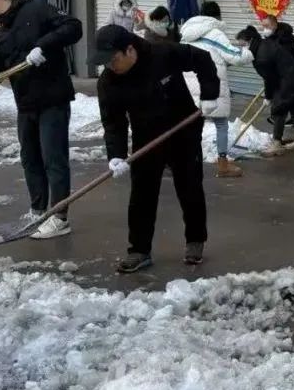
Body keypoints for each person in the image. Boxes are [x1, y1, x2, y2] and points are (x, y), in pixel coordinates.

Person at [0, 0, 82, 239]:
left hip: (52, 101)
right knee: (30, 159)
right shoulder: (0, 35)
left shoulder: (37, 11)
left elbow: (73, 27)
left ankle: (59, 218)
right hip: (26, 105)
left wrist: (43, 45)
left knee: (53, 160)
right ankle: (38, 211)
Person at [94, 24, 221, 274]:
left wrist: (209, 95)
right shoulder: (108, 82)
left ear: (130, 50)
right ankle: (139, 250)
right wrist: (116, 155)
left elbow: (202, 59)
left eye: (114, 60)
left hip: (182, 129)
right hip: (147, 137)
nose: (110, 66)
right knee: (141, 193)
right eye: (105, 62)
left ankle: (195, 240)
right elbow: (114, 122)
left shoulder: (162, 54)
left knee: (189, 187)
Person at [180, 1, 254, 178]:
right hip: (209, 85)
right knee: (221, 125)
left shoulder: (184, 32)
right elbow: (234, 57)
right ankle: (223, 165)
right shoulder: (215, 33)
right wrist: (250, 51)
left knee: (189, 126)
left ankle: (186, 161)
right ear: (217, 16)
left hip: (187, 87)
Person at [236, 25, 294, 156]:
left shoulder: (261, 56)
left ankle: (277, 144)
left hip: (289, 80)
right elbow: (271, 74)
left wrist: (268, 97)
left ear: (250, 41)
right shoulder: (262, 44)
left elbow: (269, 79)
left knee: (278, 109)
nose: (242, 49)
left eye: (243, 45)